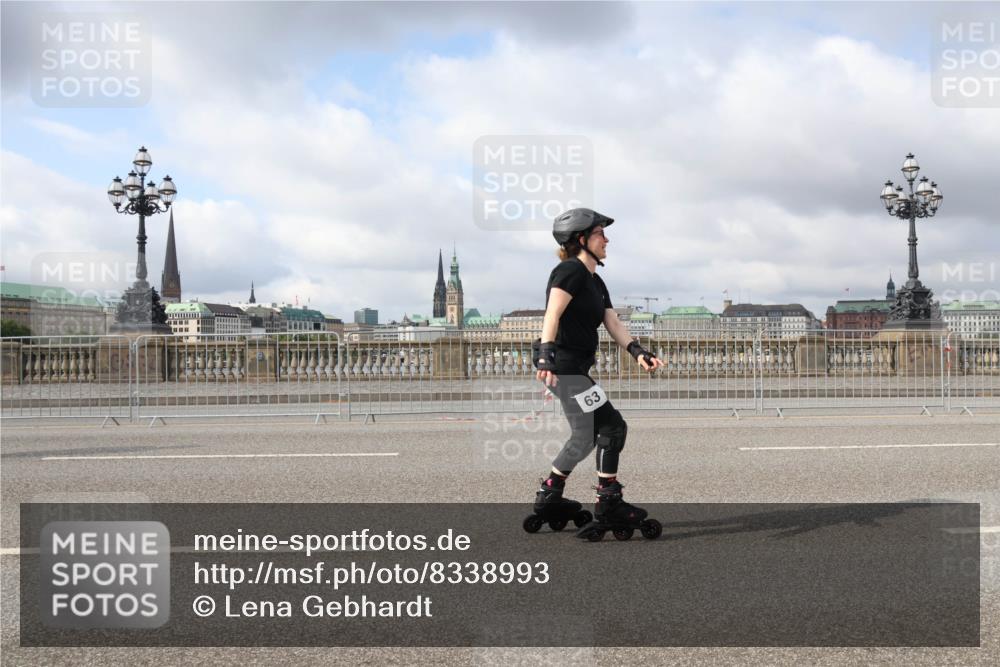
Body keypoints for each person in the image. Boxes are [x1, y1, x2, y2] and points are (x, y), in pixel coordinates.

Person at [530, 207, 665, 540]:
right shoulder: (569, 271)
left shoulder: (594, 280)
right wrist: (546, 357)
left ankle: (550, 495)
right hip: (565, 368)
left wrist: (638, 352)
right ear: (581, 239)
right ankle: (608, 502)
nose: (607, 239)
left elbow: (612, 322)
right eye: (600, 233)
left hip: (572, 368)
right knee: (611, 426)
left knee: (585, 434)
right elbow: (552, 314)